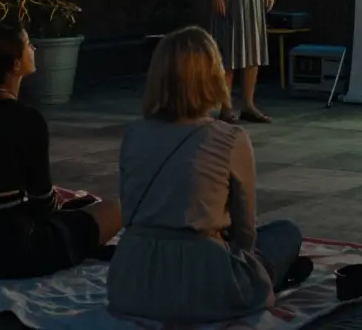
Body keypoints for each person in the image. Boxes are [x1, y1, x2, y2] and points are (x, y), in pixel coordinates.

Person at [107, 26, 312, 324]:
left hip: (133, 284)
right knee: (285, 233)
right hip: (204, 284)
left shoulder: (134, 134)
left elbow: (131, 213)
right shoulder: (229, 138)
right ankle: (271, 277)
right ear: (212, 76)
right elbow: (245, 233)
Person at [0, 22, 122, 278]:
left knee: (79, 210)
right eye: (29, 45)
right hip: (12, 251)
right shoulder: (26, 119)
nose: (34, 48)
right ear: (15, 65)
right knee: (115, 209)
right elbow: (43, 204)